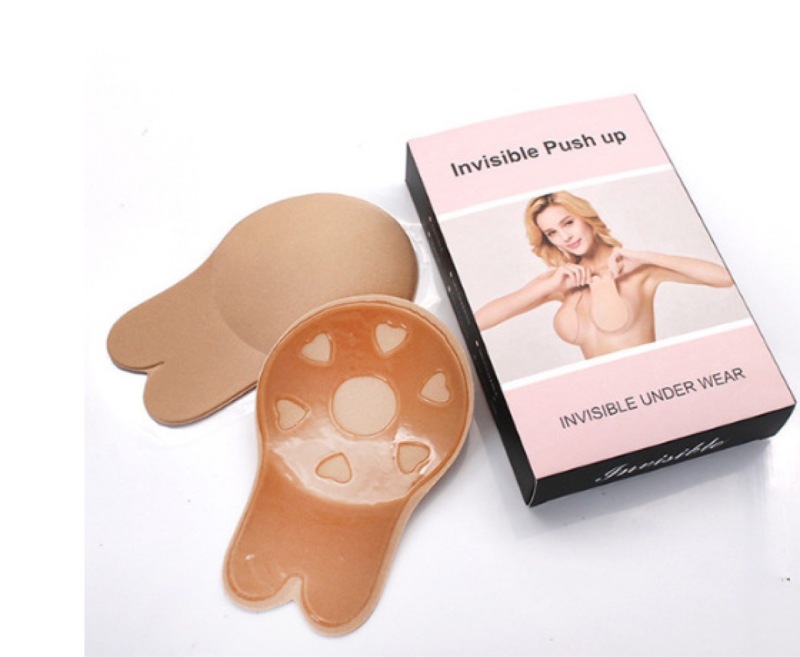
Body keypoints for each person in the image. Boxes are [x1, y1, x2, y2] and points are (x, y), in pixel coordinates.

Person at [474, 191, 734, 359]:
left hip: (651, 387)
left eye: (568, 223)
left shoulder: (639, 269)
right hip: (599, 399)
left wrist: (645, 257)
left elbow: (724, 277)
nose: (565, 237)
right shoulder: (561, 282)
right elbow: (478, 322)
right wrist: (545, 287)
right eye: (552, 233)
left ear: (586, 218)